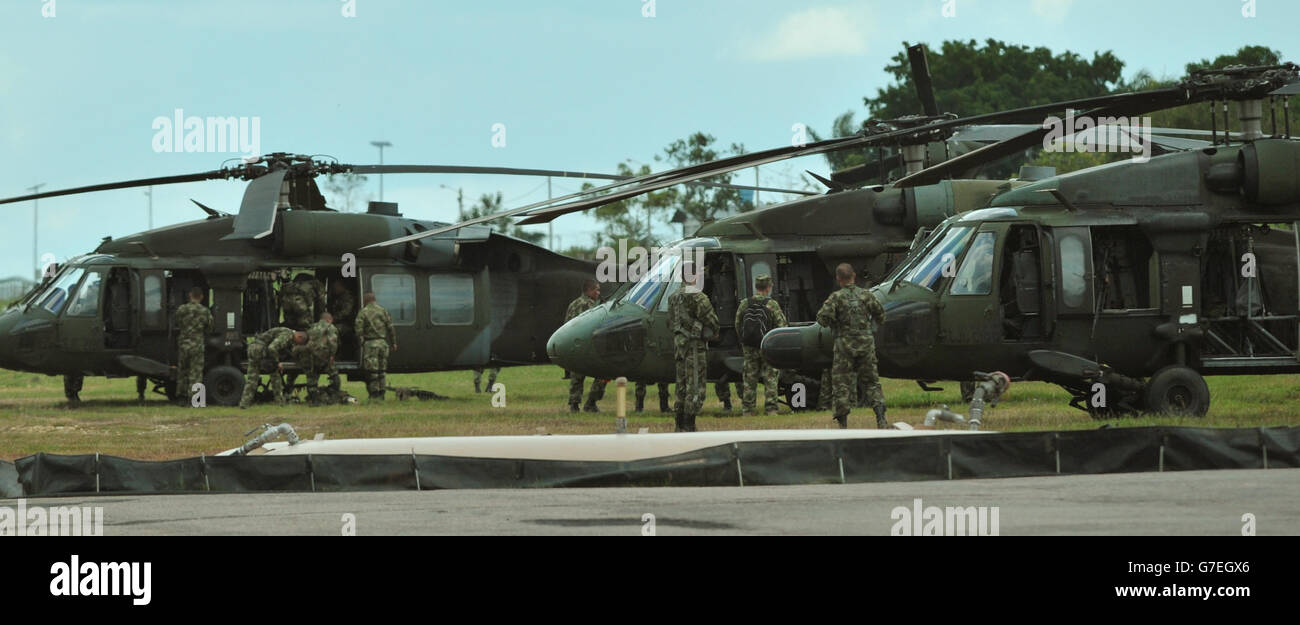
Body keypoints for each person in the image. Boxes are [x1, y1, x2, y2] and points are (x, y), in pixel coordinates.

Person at [816, 263, 886, 429]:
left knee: (841, 383)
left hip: (844, 344)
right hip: (866, 343)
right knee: (872, 382)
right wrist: (870, 329)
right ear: (854, 276)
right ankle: (881, 419)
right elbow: (881, 315)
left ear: (838, 279)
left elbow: (822, 319)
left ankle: (843, 423)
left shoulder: (836, 298)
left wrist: (835, 322)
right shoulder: (866, 295)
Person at [667, 261, 718, 432]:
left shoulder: (673, 297)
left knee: (681, 384)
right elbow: (712, 320)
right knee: (695, 385)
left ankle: (679, 424)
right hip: (694, 345)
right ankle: (689, 424)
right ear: (695, 276)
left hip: (679, 345)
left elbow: (671, 321)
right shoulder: (698, 296)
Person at [736, 273, 788, 415]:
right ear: (769, 287)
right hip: (767, 347)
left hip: (749, 347)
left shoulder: (745, 303)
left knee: (749, 379)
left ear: (756, 286)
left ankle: (748, 409)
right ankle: (771, 408)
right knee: (770, 377)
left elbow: (738, 324)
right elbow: (782, 325)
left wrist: (744, 341)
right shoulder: (772, 304)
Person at [564, 278, 607, 412]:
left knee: (577, 376)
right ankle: (591, 403)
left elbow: (566, 324)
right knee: (603, 373)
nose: (598, 293)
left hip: (574, 345)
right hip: (590, 346)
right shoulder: (593, 306)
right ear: (589, 290)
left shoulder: (573, 304)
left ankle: (574, 405)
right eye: (596, 289)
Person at [239, 328, 304, 408]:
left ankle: (244, 403)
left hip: (252, 348)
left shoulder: (283, 330)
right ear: (299, 337)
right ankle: (280, 402)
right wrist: (276, 363)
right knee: (275, 376)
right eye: (299, 343)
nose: (296, 344)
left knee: (252, 379)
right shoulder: (288, 334)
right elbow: (272, 348)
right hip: (261, 350)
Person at [175, 287, 213, 407]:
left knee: (182, 372)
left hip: (183, 344)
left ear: (190, 295)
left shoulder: (182, 309)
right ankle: (195, 401)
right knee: (196, 373)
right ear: (201, 297)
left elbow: (177, 323)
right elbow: (210, 327)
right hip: (197, 345)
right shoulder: (204, 311)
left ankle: (181, 398)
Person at [356, 292, 396, 400]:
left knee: (372, 371)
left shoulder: (363, 312)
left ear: (366, 300)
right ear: (374, 299)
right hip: (383, 344)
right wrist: (394, 343)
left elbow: (358, 329)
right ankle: (382, 393)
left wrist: (362, 342)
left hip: (371, 344)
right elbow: (391, 328)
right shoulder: (383, 311)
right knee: (382, 370)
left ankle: (374, 394)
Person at [298, 312, 340, 405]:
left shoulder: (312, 327)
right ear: (329, 319)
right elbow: (332, 342)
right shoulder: (330, 327)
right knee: (334, 374)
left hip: (312, 356)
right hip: (324, 355)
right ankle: (334, 398)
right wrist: (332, 355)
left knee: (312, 378)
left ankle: (314, 401)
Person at [328, 280, 357, 351]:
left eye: (335, 288)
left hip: (348, 324)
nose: (334, 290)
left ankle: (337, 352)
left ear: (340, 287)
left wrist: (333, 319)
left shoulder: (348, 297)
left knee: (332, 330)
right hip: (341, 322)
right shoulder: (339, 297)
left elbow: (346, 312)